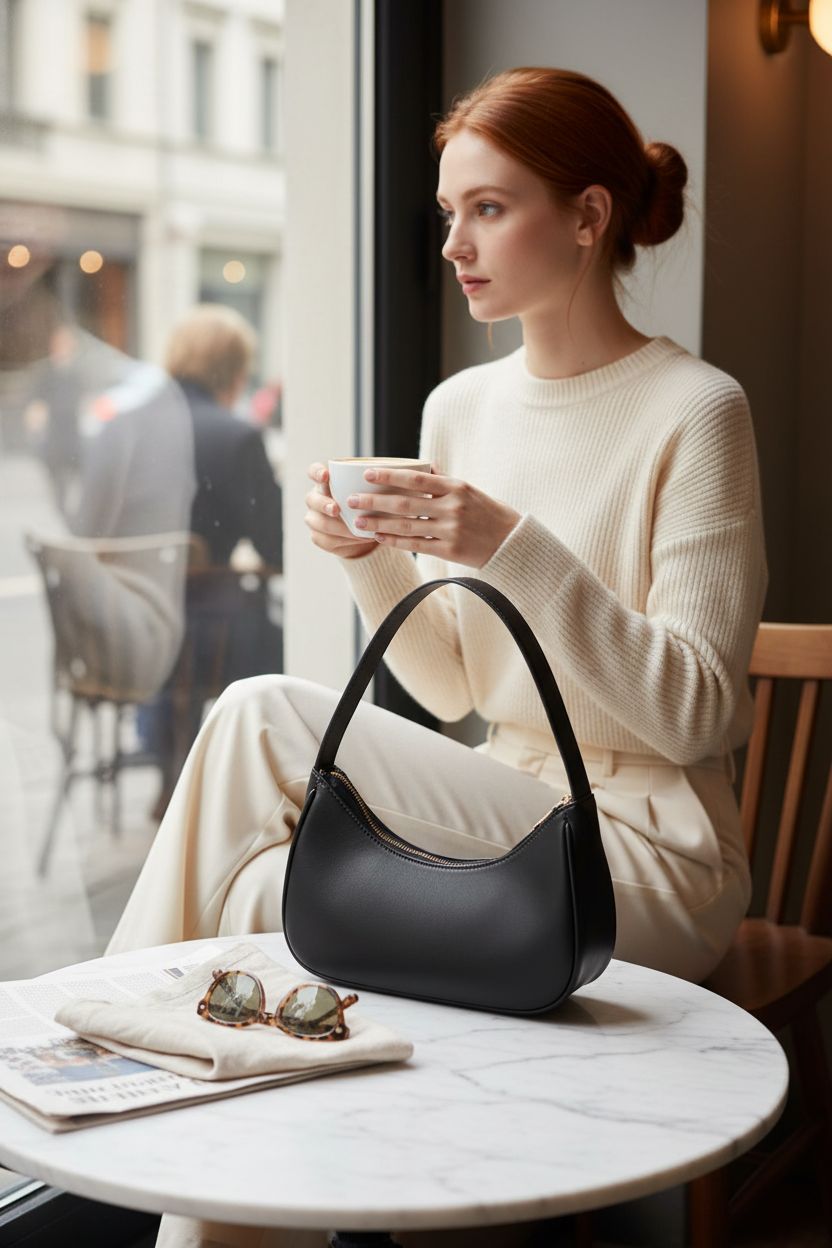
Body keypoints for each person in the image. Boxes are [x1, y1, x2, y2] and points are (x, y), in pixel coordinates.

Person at [108, 67, 766, 1248]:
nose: (455, 242)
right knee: (263, 898)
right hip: (506, 816)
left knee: (261, 709)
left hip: (649, 857)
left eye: (489, 209)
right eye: (447, 211)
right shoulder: (461, 407)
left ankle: (101, 1051)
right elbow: (459, 687)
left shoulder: (695, 410)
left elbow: (698, 714)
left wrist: (512, 546)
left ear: (588, 215)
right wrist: (369, 559)